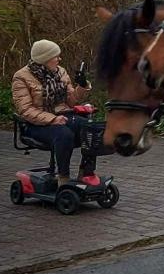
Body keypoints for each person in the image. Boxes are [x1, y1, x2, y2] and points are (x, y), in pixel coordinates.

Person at [11, 41, 100, 185]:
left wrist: (82, 86)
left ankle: (86, 172)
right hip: (35, 124)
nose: (59, 59)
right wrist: (52, 119)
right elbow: (25, 110)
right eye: (56, 56)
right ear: (44, 59)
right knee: (64, 134)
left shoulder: (61, 72)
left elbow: (71, 102)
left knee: (91, 129)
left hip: (62, 115)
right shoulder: (21, 77)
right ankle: (63, 178)